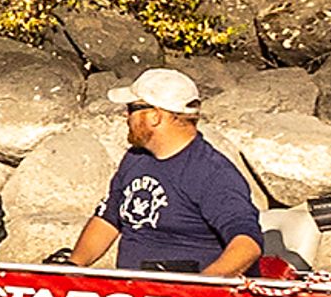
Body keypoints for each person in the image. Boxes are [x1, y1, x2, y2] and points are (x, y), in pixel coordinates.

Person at [63, 67, 265, 275]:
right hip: (135, 291)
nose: (126, 116)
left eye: (132, 108)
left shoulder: (213, 173)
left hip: (189, 296)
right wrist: (72, 267)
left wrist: (201, 288)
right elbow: (108, 219)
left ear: (155, 116)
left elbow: (247, 245)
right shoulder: (135, 158)